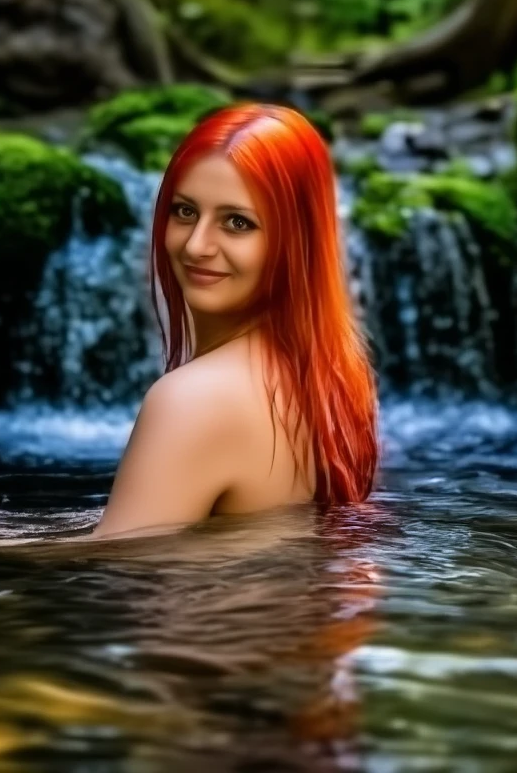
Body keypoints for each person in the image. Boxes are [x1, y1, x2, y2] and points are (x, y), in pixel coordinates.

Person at [87, 102, 380, 542]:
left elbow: (119, 568)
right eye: (185, 212)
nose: (197, 246)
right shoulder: (330, 374)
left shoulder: (192, 400)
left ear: (293, 243)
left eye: (237, 222)